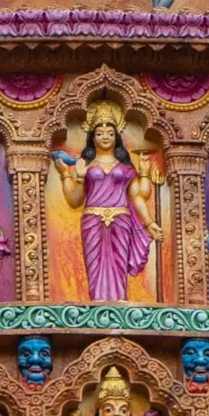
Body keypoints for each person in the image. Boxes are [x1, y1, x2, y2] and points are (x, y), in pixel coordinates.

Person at [64, 99, 159, 302]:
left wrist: (145, 174)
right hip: (92, 219)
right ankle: (97, 302)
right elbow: (74, 200)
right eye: (99, 133)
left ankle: (119, 302)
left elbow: (139, 195)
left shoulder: (126, 169)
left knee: (118, 262)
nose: (105, 137)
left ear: (117, 137)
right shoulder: (85, 166)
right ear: (92, 138)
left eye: (109, 133)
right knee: (94, 263)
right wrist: (75, 176)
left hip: (121, 219)